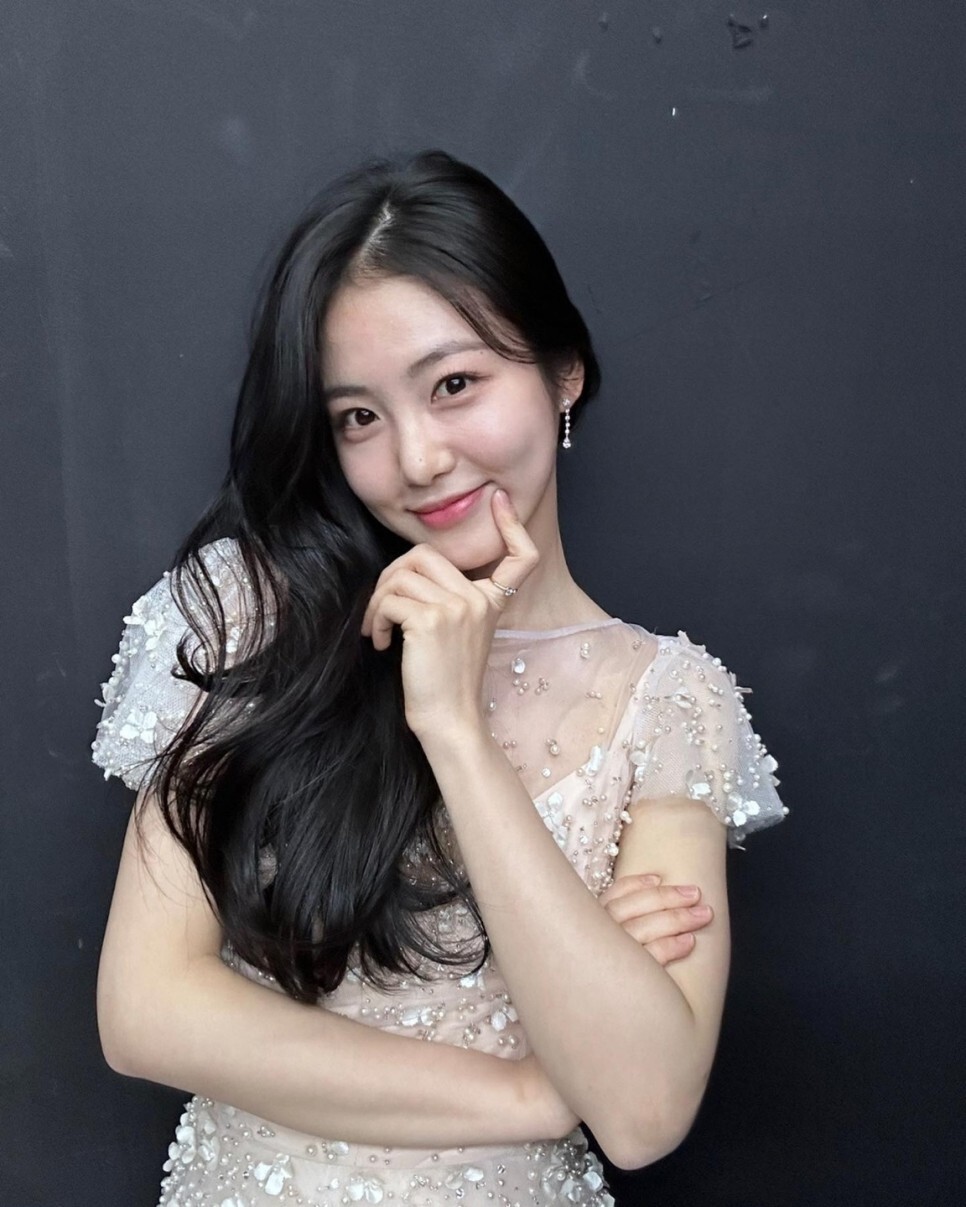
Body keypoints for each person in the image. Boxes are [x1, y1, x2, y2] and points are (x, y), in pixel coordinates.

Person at [91, 149, 788, 1207]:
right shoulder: (249, 619)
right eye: (358, 417)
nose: (417, 459)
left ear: (563, 371)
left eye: (454, 385)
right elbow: (145, 1010)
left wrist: (454, 729)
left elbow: (644, 1109)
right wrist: (533, 1091)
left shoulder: (669, 698)